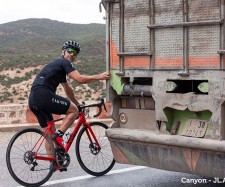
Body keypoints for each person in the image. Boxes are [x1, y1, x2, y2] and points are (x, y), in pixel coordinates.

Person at [28, 40, 110, 150]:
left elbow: (67, 89)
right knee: (73, 111)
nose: (72, 54)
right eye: (70, 51)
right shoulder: (64, 62)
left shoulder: (57, 66)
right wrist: (100, 76)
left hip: (33, 99)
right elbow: (79, 79)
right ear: (63, 51)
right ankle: (59, 135)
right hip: (43, 95)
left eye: (75, 53)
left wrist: (77, 103)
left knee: (49, 134)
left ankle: (54, 164)